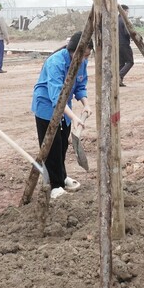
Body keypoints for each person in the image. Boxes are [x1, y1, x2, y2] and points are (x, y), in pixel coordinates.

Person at [31, 31, 92, 199]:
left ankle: (62, 177)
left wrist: (86, 104)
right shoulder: (55, 62)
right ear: (73, 50)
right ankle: (54, 186)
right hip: (46, 107)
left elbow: (80, 85)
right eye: (82, 55)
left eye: (88, 55)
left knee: (63, 145)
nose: (85, 59)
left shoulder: (82, 62)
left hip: (66, 108)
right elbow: (56, 95)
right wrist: (74, 117)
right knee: (52, 147)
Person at [118, 5, 134, 87]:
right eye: (127, 11)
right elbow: (127, 33)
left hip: (117, 45)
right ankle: (119, 76)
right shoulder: (124, 20)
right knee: (130, 62)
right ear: (123, 11)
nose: (127, 13)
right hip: (124, 44)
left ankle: (119, 81)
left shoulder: (116, 19)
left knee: (121, 63)